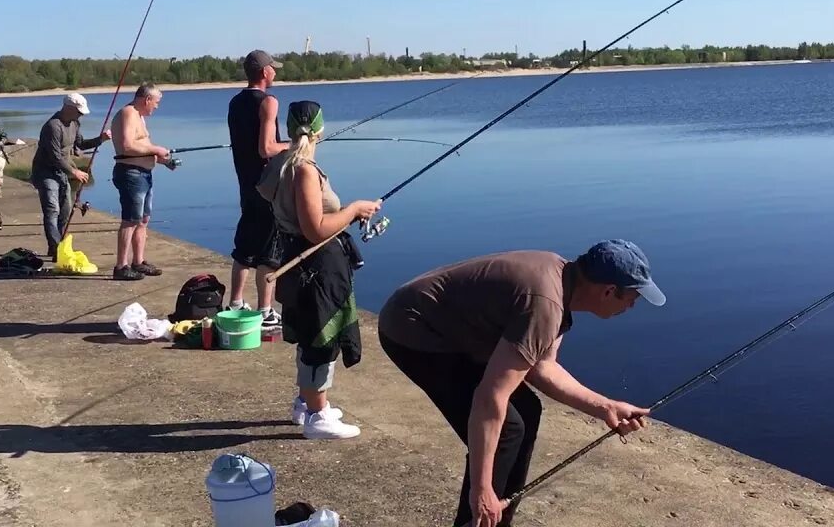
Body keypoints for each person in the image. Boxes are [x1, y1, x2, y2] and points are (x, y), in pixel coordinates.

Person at [377, 240, 665, 527]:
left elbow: (542, 366)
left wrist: (606, 407)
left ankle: (499, 520)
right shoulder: (545, 305)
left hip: (450, 326)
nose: (631, 306)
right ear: (608, 291)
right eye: (632, 298)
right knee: (507, 429)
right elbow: (490, 396)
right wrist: (481, 491)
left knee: (527, 411)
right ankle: (478, 517)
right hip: (413, 329)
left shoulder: (562, 281)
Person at [257, 100, 381, 439]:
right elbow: (316, 229)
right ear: (320, 130)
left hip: (296, 259)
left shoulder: (280, 164)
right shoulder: (304, 170)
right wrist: (355, 209)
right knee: (321, 335)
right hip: (316, 264)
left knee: (311, 330)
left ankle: (305, 402)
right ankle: (317, 414)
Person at [227, 49, 289, 327]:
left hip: (245, 183)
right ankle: (265, 311)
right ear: (264, 72)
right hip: (266, 187)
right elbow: (266, 149)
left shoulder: (235, 102)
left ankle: (236, 302)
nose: (275, 72)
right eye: (273, 68)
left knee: (244, 246)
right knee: (269, 250)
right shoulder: (269, 102)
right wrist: (295, 145)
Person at [31, 93, 111, 259]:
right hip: (45, 172)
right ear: (68, 108)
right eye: (78, 111)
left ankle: (58, 246)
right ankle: (56, 248)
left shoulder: (75, 123)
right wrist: (74, 171)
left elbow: (80, 144)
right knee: (52, 210)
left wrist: (101, 139)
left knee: (66, 210)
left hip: (61, 172)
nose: (81, 115)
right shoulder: (53, 126)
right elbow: (54, 156)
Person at [109, 83, 176, 281]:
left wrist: (163, 160)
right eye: (156, 102)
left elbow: (143, 147)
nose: (156, 106)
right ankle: (121, 266)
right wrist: (156, 150)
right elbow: (127, 146)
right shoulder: (128, 113)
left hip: (144, 173)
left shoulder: (139, 116)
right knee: (130, 220)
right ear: (147, 99)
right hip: (131, 174)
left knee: (143, 219)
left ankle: (138, 261)